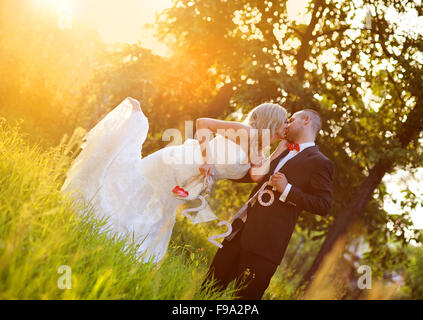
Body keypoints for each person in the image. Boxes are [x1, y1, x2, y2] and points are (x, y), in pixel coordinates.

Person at [62, 97, 288, 263]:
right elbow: (202, 123)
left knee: (154, 210)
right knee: (138, 191)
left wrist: (280, 149)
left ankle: (118, 248)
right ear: (272, 121)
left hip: (188, 180)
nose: (286, 127)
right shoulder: (243, 131)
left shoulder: (260, 149)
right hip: (180, 163)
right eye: (283, 123)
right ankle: (135, 121)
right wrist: (206, 160)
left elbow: (258, 176)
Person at [202, 109, 335, 299]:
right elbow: (253, 176)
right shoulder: (282, 150)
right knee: (207, 291)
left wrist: (287, 189)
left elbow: (323, 205)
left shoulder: (320, 162)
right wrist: (215, 169)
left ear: (306, 120)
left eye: (292, 120)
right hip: (238, 231)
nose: (287, 124)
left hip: (265, 246)